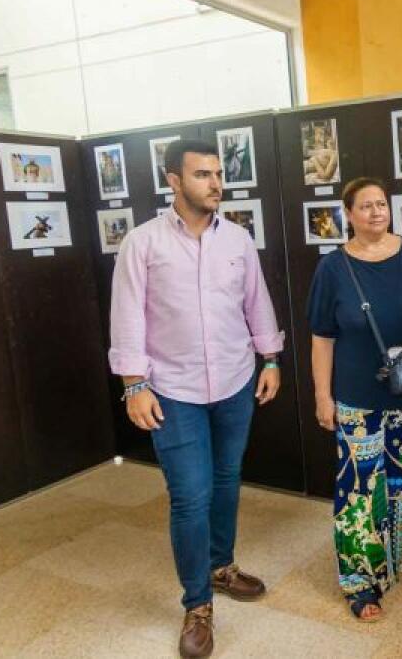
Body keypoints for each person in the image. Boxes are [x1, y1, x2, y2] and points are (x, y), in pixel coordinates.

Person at [108, 138, 284, 658]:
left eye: (217, 174)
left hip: (233, 381)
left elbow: (257, 300)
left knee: (227, 480)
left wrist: (270, 359)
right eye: (203, 175)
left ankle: (222, 565)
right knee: (190, 495)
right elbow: (128, 316)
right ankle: (198, 603)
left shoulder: (238, 241)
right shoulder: (142, 243)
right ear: (174, 181)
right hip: (172, 389)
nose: (215, 184)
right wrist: (133, 385)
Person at [307, 177, 402, 622]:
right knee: (359, 490)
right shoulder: (333, 268)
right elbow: (321, 338)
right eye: (365, 206)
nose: (376, 212)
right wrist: (322, 396)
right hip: (356, 396)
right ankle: (360, 579)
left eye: (382, 204)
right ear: (348, 215)